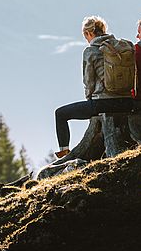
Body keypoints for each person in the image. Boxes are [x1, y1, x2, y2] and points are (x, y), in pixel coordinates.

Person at [54, 16, 135, 158]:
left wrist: (90, 100)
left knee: (60, 114)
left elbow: (88, 82)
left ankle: (64, 152)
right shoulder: (122, 46)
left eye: (85, 36)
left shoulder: (90, 51)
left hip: (103, 103)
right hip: (127, 101)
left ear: (89, 33)